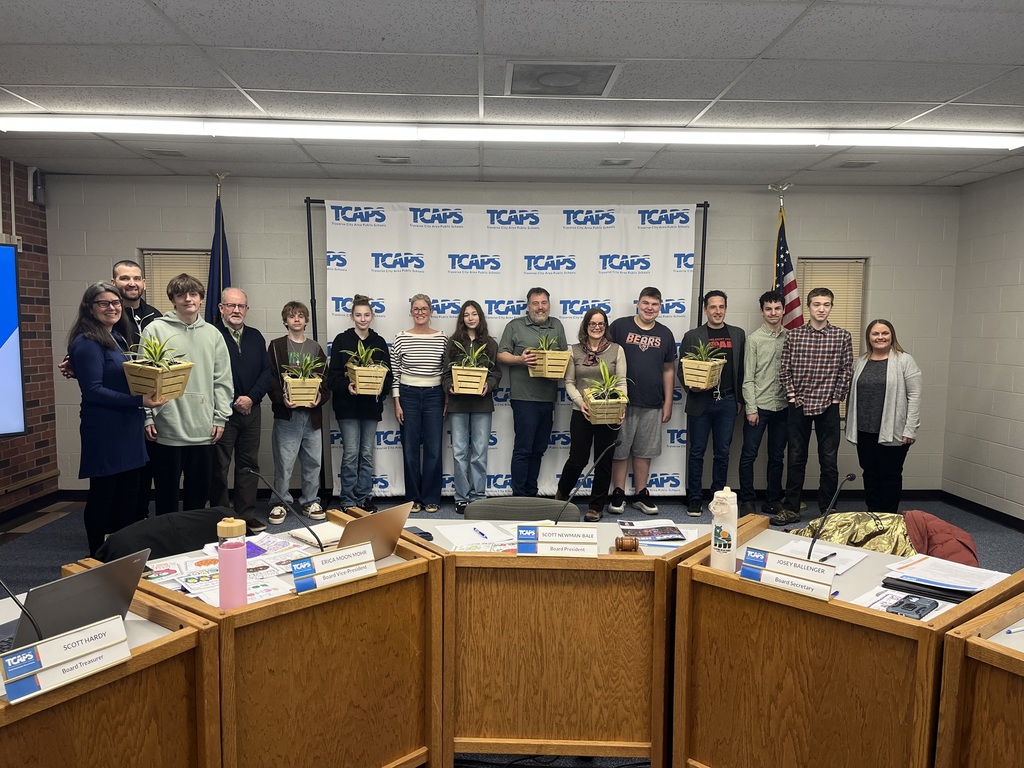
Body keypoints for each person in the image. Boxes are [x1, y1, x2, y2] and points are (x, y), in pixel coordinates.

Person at [68, 282, 165, 555]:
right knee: (103, 496)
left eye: (115, 303)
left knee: (129, 496)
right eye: (104, 303)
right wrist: (139, 401)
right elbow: (94, 390)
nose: (112, 308)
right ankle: (97, 555)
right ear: (89, 308)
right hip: (105, 429)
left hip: (128, 426)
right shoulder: (87, 342)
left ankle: (124, 553)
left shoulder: (119, 337)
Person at [143, 273, 233, 516]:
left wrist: (220, 418)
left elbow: (222, 380)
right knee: (166, 497)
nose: (187, 299)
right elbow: (144, 377)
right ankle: (167, 548)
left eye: (193, 294)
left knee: (197, 497)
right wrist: (148, 416)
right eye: (181, 294)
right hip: (166, 428)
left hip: (203, 430)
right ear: (172, 298)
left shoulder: (213, 334)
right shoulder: (155, 329)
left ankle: (192, 547)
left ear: (201, 298)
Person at [772, 287, 853, 525]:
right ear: (808, 307)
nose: (821, 309)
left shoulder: (842, 336)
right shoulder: (794, 336)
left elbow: (846, 371)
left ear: (831, 307)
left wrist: (836, 398)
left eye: (826, 304)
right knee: (796, 458)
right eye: (816, 304)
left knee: (828, 460)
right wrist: (791, 395)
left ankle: (829, 509)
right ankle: (792, 509)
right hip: (799, 404)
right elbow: (784, 369)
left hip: (829, 404)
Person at [608, 286, 677, 515]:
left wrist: (668, 402)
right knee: (619, 450)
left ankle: (641, 493)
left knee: (644, 451)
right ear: (638, 303)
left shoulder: (665, 334)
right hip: (621, 401)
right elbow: (605, 356)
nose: (650, 308)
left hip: (653, 402)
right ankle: (618, 493)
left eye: (655, 304)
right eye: (646, 303)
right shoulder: (620, 326)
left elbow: (669, 369)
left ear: (660, 307)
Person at [209, 288, 271, 532]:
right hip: (222, 412)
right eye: (231, 305)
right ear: (221, 308)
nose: (236, 310)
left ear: (247, 310)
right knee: (219, 466)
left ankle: (245, 516)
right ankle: (222, 517)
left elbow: (266, 372)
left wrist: (251, 398)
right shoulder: (211, 335)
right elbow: (210, 374)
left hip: (251, 411)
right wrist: (234, 400)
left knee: (248, 464)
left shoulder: (256, 336)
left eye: (241, 306)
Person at [497, 287, 568, 497]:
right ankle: (519, 496)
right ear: (528, 306)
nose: (540, 307)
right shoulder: (515, 326)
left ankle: (532, 493)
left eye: (543, 303)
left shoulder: (557, 325)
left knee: (538, 450)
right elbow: (501, 355)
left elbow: (564, 356)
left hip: (548, 398)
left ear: (549, 304)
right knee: (523, 450)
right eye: (535, 303)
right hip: (524, 398)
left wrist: (558, 372)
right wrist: (520, 359)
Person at [845, 319, 922, 513]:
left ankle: (888, 518)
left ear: (892, 335)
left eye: (885, 333)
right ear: (869, 338)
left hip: (893, 431)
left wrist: (910, 428)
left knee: (890, 475)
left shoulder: (904, 360)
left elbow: (914, 396)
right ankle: (873, 514)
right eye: (875, 334)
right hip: (864, 430)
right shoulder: (861, 361)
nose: (880, 337)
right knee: (870, 474)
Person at [680, 290, 745, 517]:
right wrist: (693, 387)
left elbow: (741, 370)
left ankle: (718, 496)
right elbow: (682, 370)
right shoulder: (692, 335)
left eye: (721, 307)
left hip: (727, 401)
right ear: (706, 309)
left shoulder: (737, 334)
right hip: (701, 401)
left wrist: (739, 399)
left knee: (723, 452)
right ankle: (695, 498)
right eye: (713, 307)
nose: (717, 311)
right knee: (697, 451)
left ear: (725, 308)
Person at [558, 308, 626, 522]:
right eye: (592, 324)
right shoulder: (574, 350)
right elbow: (569, 382)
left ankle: (596, 506)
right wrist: (581, 402)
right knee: (577, 459)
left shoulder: (616, 350)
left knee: (604, 461)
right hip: (582, 413)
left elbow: (622, 381)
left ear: (605, 327)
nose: (597, 327)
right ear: (586, 326)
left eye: (601, 324)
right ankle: (560, 496)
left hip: (609, 412)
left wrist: (621, 406)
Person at [327, 294, 393, 514]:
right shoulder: (341, 340)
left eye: (366, 315)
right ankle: (347, 499)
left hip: (370, 408)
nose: (362, 319)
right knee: (351, 453)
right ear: (352, 316)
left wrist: (378, 389)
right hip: (347, 407)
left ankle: (364, 497)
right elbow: (332, 376)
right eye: (358, 315)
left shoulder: (379, 342)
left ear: (372, 316)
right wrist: (348, 385)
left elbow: (388, 376)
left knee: (366, 453)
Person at [268, 301, 329, 524]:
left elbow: (325, 381)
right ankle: (280, 503)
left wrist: (320, 398)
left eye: (300, 316)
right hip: (288, 415)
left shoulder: (315, 348)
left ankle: (310, 501)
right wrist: (281, 399)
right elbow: (272, 380)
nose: (296, 319)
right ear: (285, 320)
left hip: (311, 417)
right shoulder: (276, 346)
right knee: (284, 462)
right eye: (292, 316)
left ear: (306, 320)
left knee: (313, 461)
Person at [442, 300, 501, 515]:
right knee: (459, 453)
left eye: (474, 314)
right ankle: (461, 497)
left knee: (479, 453)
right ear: (462, 319)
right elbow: (446, 373)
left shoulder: (490, 344)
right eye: (466, 314)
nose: (470, 318)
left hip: (482, 405)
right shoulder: (454, 342)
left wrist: (489, 385)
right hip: (458, 404)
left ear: (480, 317)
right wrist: (450, 387)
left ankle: (478, 496)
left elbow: (496, 373)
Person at [392, 295, 448, 513]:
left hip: (435, 395)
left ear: (431, 311)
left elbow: (446, 371)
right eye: (416, 309)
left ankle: (431, 497)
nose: (420, 312)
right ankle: (413, 497)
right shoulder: (401, 338)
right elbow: (395, 372)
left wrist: (447, 399)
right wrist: (397, 402)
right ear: (411, 312)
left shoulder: (442, 338)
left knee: (434, 448)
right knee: (410, 448)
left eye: (424, 308)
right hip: (408, 395)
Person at [738, 290, 788, 517]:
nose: (773, 313)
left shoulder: (791, 337)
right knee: (749, 455)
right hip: (759, 408)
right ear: (762, 311)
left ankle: (773, 500)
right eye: (768, 309)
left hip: (784, 407)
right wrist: (751, 408)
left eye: (777, 308)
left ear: (784, 309)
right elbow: (748, 377)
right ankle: (747, 500)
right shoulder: (754, 340)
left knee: (777, 457)